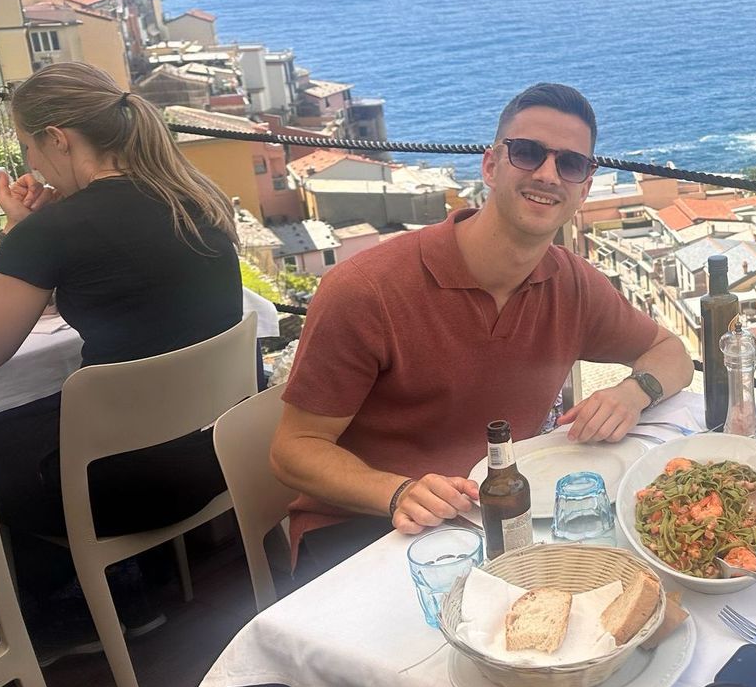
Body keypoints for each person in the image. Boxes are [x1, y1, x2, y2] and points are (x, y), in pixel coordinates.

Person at [270, 83, 693, 575]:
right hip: (367, 529)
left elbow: (670, 352)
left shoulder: (572, 284)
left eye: (570, 164)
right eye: (528, 153)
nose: (547, 174)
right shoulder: (367, 289)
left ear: (585, 186)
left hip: (502, 519)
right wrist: (396, 492)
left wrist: (633, 391)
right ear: (491, 165)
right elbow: (293, 451)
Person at [0, 62, 242, 658]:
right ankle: (128, 588)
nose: (30, 162)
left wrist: (17, 237)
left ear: (58, 139)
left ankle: (72, 609)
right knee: (40, 418)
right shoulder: (189, 196)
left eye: (28, 145)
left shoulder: (57, 231)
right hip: (221, 454)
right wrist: (34, 233)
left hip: (132, 487)